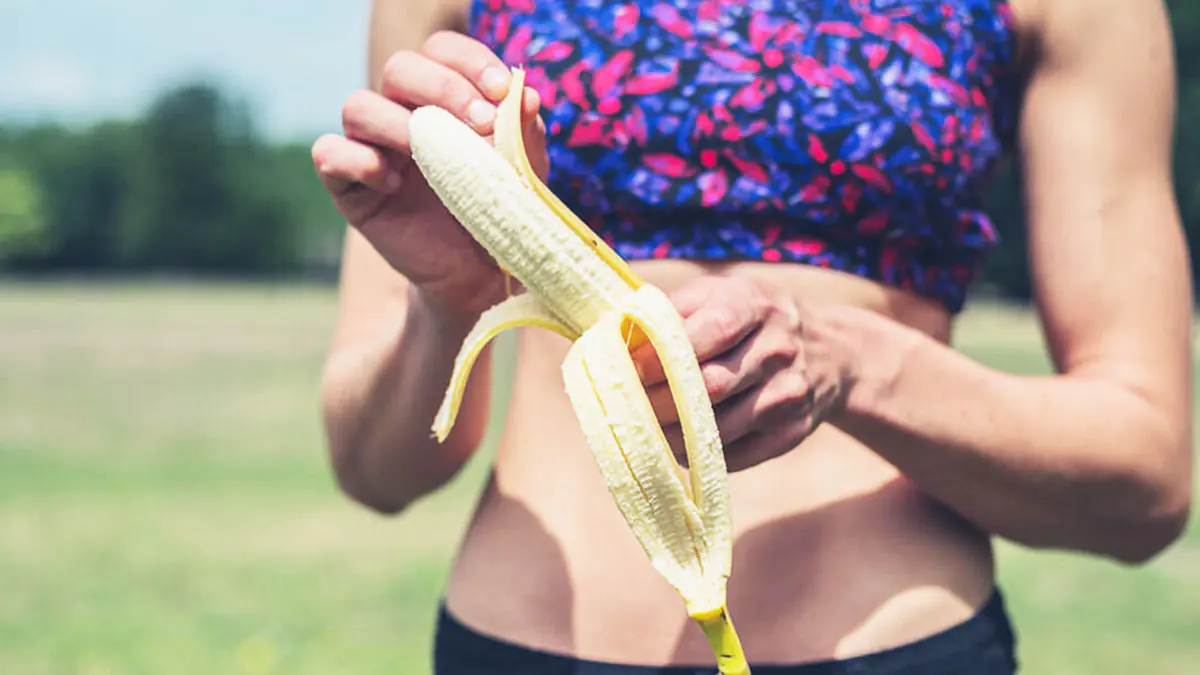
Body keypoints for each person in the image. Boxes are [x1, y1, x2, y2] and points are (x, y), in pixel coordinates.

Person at [312, 0, 1194, 671]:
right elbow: (374, 468)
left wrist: (853, 365)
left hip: (892, 645)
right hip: (516, 641)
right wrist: (450, 302)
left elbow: (1145, 479)